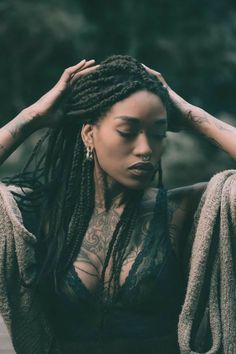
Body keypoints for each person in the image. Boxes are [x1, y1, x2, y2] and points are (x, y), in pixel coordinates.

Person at [0, 55, 235, 354]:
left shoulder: (183, 210)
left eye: (157, 133)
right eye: (127, 132)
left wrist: (192, 116)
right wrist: (32, 117)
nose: (146, 149)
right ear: (89, 134)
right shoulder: (39, 214)